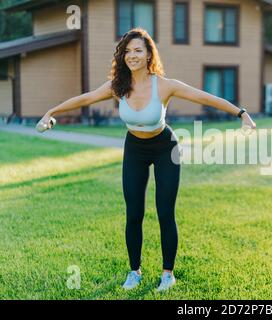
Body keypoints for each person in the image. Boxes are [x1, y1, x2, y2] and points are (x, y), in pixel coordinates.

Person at [38, 28, 256, 292]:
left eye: (138, 50)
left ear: (149, 53)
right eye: (127, 51)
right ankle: (134, 271)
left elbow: (203, 96)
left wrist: (241, 113)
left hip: (166, 148)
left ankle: (167, 274)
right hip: (135, 149)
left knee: (165, 213)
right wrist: (52, 111)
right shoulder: (117, 87)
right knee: (134, 214)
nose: (132, 56)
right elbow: (86, 98)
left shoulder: (163, 85)